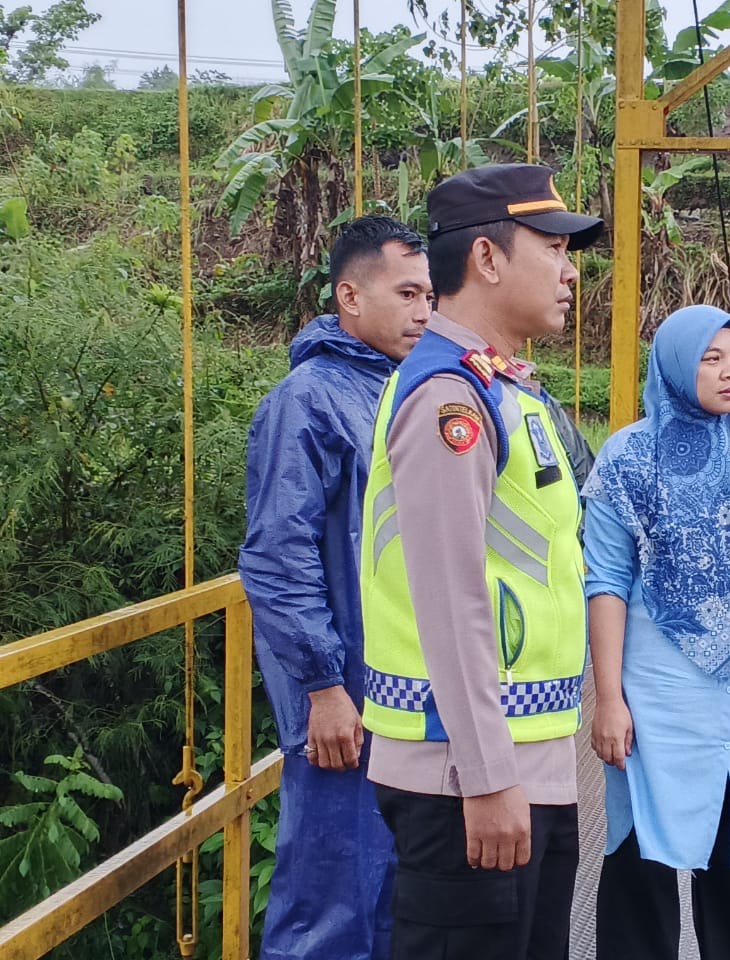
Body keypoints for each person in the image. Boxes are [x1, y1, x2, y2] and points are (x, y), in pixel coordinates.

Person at [358, 162, 604, 960]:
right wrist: (490, 776)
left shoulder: (506, 392)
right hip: (463, 775)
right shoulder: (449, 400)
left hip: (521, 761)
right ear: (489, 260)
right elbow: (452, 595)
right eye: (553, 248)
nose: (571, 272)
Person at [585, 304, 730, 960]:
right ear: (675, 366)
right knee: (642, 857)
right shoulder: (628, 458)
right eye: (710, 359)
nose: (729, 373)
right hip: (658, 690)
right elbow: (604, 582)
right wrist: (609, 700)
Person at [238, 216, 432, 960]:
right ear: (349, 296)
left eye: (430, 294)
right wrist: (321, 686)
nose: (424, 310)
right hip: (343, 695)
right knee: (333, 897)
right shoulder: (310, 399)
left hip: (393, 688)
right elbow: (278, 555)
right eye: (406, 292)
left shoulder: (397, 388)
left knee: (387, 890)